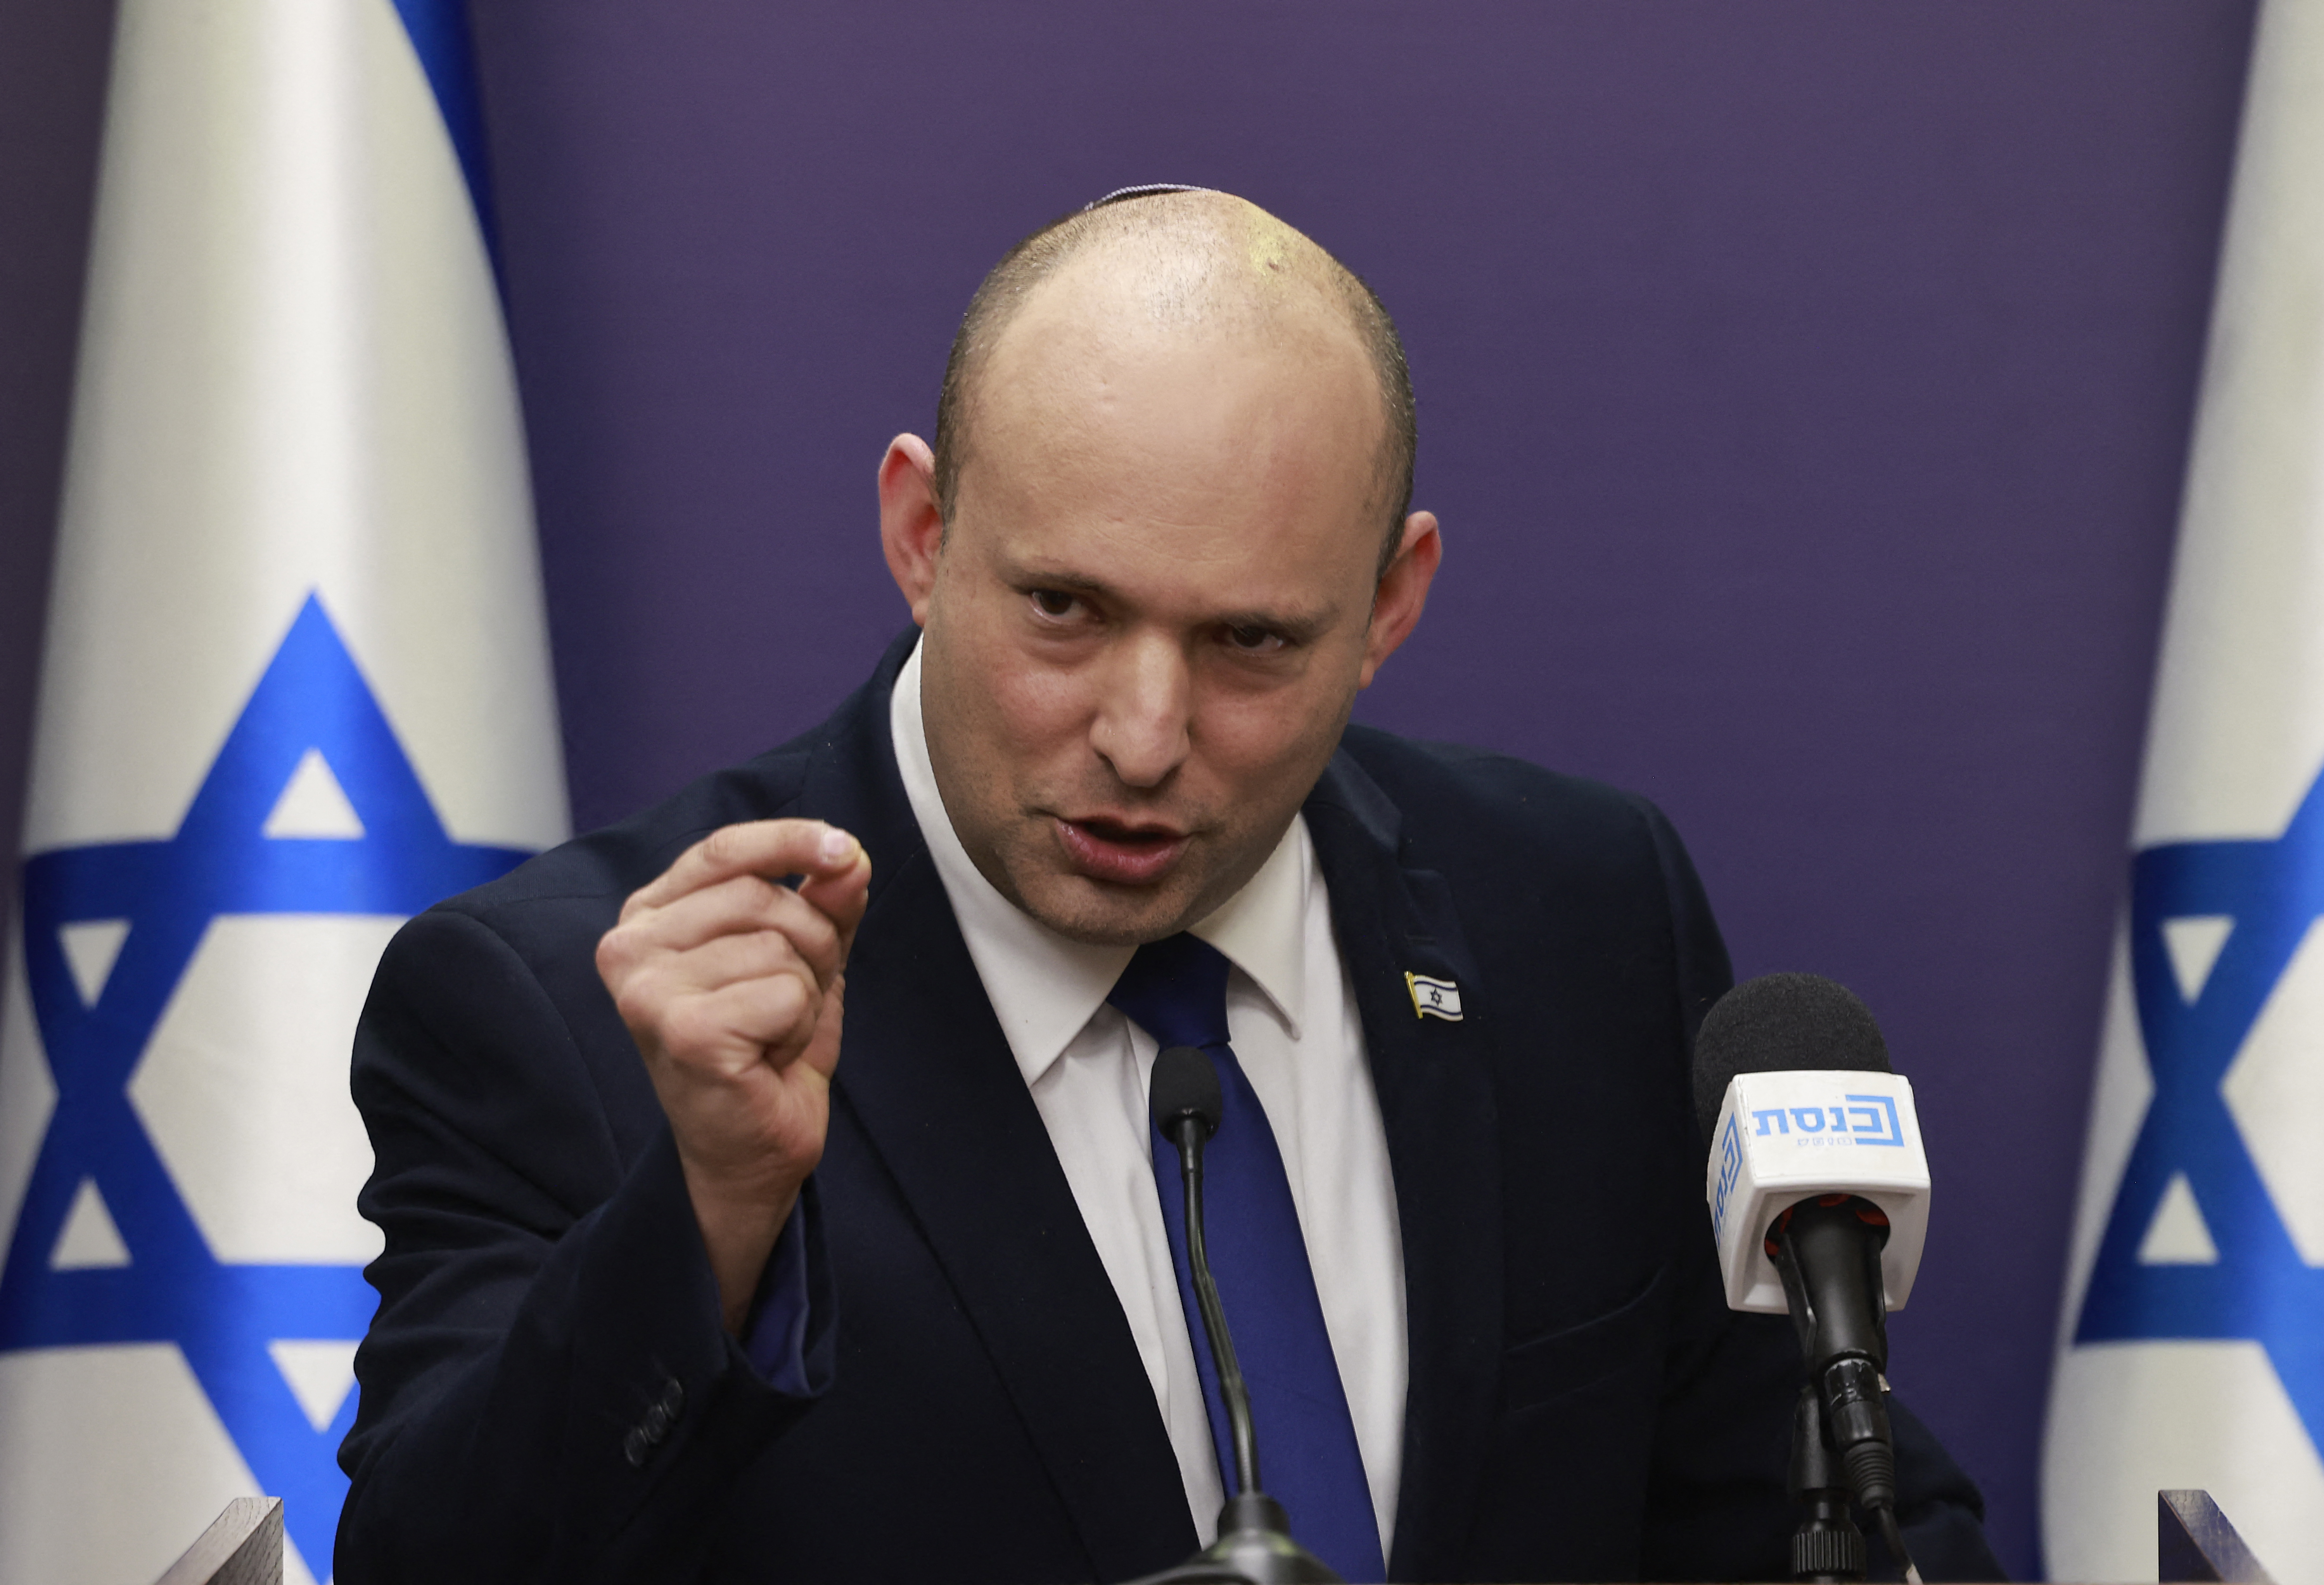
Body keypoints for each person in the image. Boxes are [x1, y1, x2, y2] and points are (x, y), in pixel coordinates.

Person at [335, 188, 2002, 1585]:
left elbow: (1796, 1505)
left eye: (1253, 642)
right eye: (1063, 608)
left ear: (1391, 603)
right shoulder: (566, 1009)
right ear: (922, 531)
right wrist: (703, 1218)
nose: (1144, 736)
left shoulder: (1575, 917)